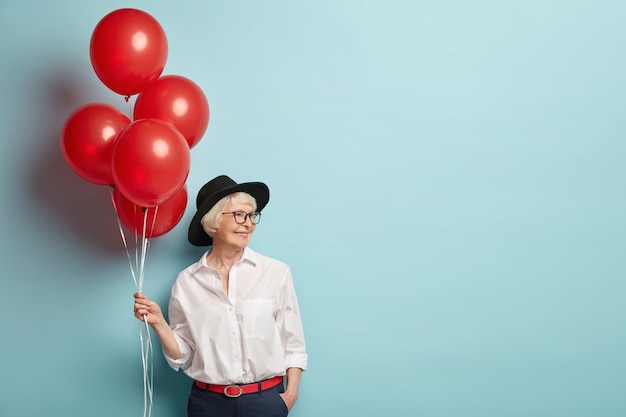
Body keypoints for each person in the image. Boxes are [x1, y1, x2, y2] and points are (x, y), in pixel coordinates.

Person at [133, 175, 307, 417]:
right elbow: (182, 356)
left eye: (251, 216)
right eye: (238, 215)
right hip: (208, 404)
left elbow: (293, 341)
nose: (248, 223)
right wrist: (159, 324)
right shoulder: (187, 282)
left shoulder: (275, 272)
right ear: (213, 224)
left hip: (265, 402)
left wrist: (290, 396)